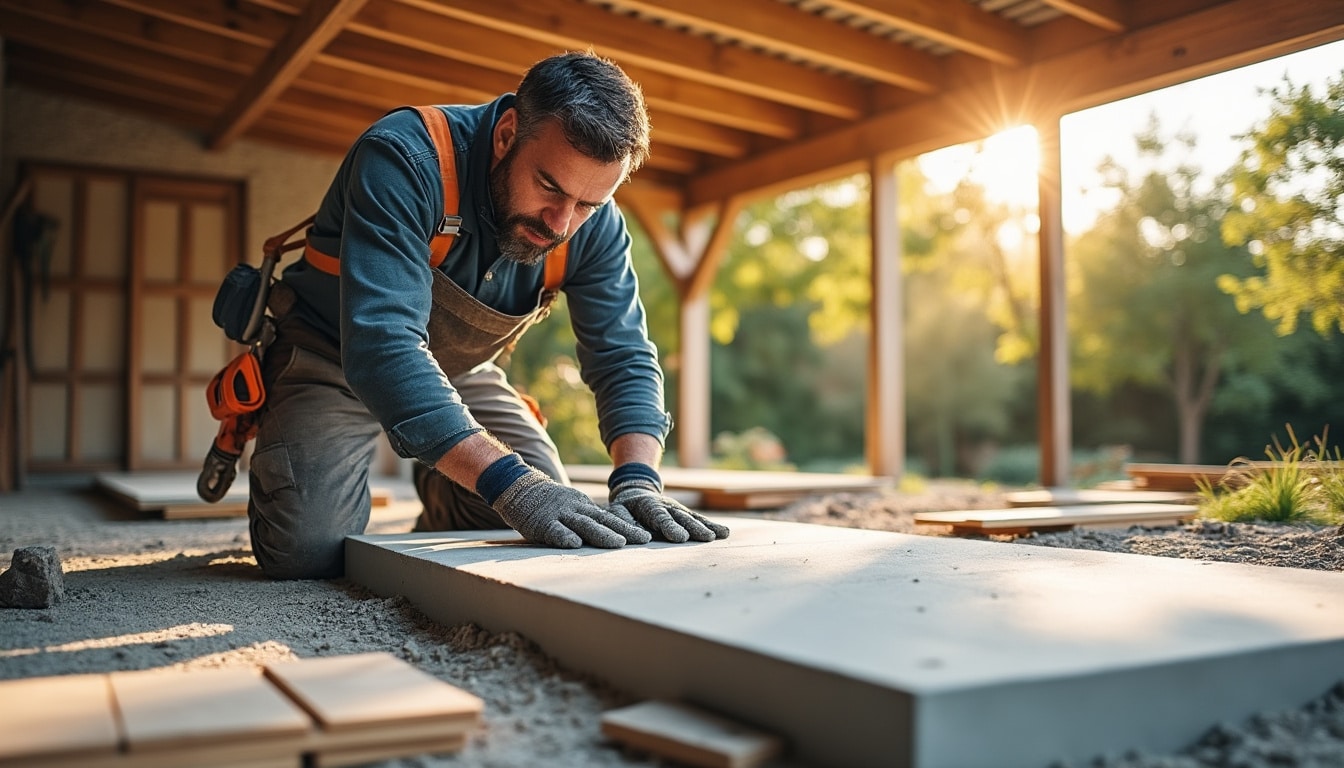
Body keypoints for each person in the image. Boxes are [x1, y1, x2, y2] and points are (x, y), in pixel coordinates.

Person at [245, 51, 729, 579]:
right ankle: (445, 460)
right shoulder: (405, 158)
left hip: (461, 373)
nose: (562, 223)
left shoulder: (592, 224)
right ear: (506, 135)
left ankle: (444, 476)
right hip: (328, 355)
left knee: (552, 520)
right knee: (308, 552)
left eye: (588, 203)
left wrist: (638, 479)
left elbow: (624, 355)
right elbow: (383, 347)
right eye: (550, 187)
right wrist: (509, 485)